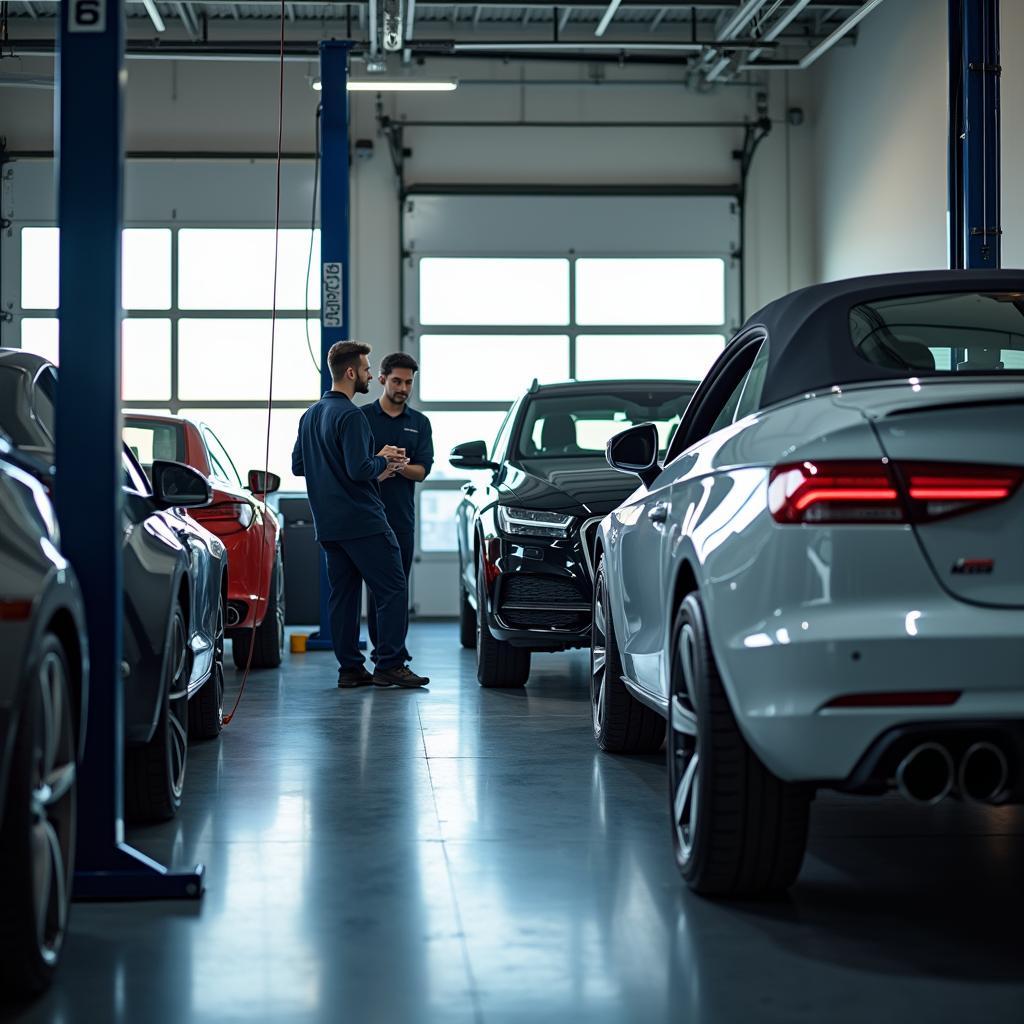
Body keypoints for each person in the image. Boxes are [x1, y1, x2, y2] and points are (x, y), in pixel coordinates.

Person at [292, 341, 429, 689]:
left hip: (330, 525)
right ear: (351, 372)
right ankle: (390, 664)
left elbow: (299, 465)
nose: (370, 375)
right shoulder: (351, 415)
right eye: (368, 370)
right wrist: (384, 459)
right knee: (393, 589)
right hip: (363, 521)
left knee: (344, 596)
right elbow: (359, 468)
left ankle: (350, 669)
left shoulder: (310, 414)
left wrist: (364, 463)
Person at [361, 353, 433, 664]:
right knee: (376, 589)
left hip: (401, 519)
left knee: (398, 588)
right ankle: (382, 650)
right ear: (381, 379)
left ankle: (394, 651)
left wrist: (399, 465)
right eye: (397, 381)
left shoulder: (419, 423)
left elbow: (422, 471)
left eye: (408, 383)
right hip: (368, 517)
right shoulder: (361, 418)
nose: (403, 388)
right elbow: (357, 466)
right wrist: (381, 460)